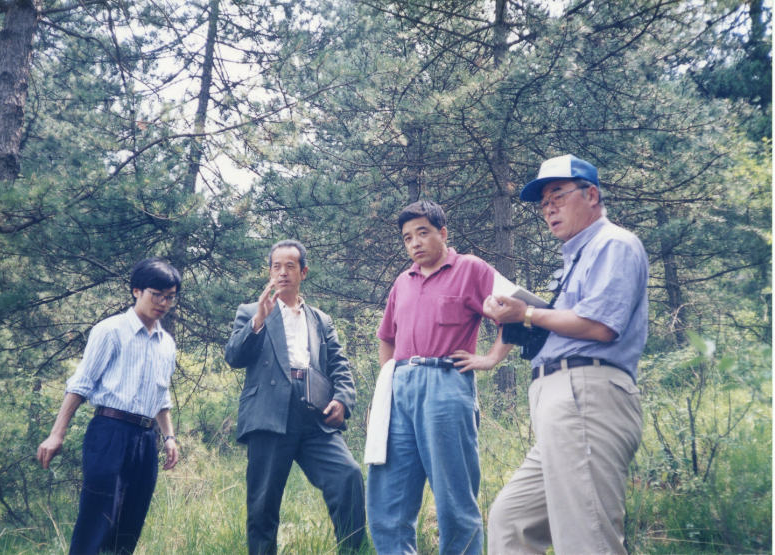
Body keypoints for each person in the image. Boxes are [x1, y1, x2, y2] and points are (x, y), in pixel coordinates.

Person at [484, 154, 648, 555]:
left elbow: (602, 326)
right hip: (561, 403)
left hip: (587, 395)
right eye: (543, 203)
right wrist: (513, 321)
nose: (549, 208)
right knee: (511, 523)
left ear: (591, 195)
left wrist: (530, 312)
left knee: (586, 536)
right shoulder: (576, 257)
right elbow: (561, 330)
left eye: (558, 195)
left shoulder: (614, 243)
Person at [367, 201, 513, 555]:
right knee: (388, 497)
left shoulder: (471, 269)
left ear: (442, 233)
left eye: (422, 233)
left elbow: (518, 310)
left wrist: (491, 358)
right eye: (407, 238)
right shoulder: (402, 282)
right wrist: (382, 392)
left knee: (454, 498)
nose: (414, 243)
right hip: (398, 387)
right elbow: (387, 337)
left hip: (445, 384)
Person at [224, 240, 365, 555]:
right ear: (270, 271)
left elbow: (340, 367)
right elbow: (233, 356)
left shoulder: (321, 320)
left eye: (290, 266)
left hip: (315, 415)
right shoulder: (250, 311)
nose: (283, 273)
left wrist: (342, 400)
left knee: (348, 476)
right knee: (263, 504)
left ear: (303, 271)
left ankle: (353, 551)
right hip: (269, 413)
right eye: (276, 266)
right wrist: (258, 321)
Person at [36, 257, 182, 555]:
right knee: (97, 517)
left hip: (146, 438)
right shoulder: (111, 330)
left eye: (170, 297)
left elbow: (161, 396)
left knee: (130, 521)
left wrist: (169, 437)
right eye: (157, 295)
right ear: (136, 291)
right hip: (109, 432)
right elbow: (81, 383)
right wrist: (56, 434)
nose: (163, 303)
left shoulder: (166, 342)